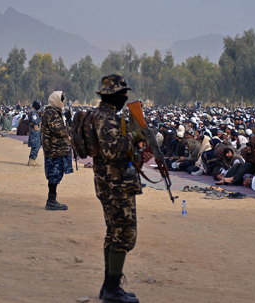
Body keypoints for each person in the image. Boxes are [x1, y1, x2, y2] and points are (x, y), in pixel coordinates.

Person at [93, 74, 149, 303]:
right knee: (124, 235)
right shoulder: (105, 119)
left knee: (113, 234)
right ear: (113, 95)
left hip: (113, 183)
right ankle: (113, 290)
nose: (126, 97)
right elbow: (112, 151)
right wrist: (134, 136)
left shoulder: (106, 116)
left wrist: (137, 152)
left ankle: (109, 287)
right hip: (116, 186)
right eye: (122, 93)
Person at [41, 91, 73, 211]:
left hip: (55, 149)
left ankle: (52, 200)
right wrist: (70, 128)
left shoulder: (52, 111)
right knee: (54, 174)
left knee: (55, 174)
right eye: (62, 100)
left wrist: (68, 119)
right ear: (57, 100)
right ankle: (51, 201)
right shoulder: (51, 112)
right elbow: (59, 131)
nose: (63, 102)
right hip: (55, 149)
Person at [27, 100, 42, 166]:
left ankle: (32, 160)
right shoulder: (33, 112)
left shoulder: (34, 111)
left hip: (36, 131)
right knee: (35, 146)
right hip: (35, 131)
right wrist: (41, 119)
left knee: (37, 145)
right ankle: (32, 160)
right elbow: (35, 121)